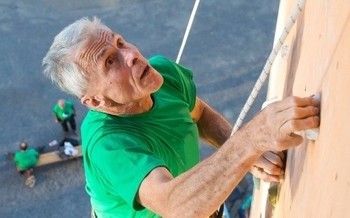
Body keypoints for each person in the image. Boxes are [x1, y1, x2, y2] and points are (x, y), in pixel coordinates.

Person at [42, 17, 320, 218]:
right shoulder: (108, 146)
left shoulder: (161, 75)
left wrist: (243, 149)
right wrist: (250, 140)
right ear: (94, 101)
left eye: (121, 42)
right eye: (110, 61)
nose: (132, 56)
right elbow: (176, 207)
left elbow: (198, 114)